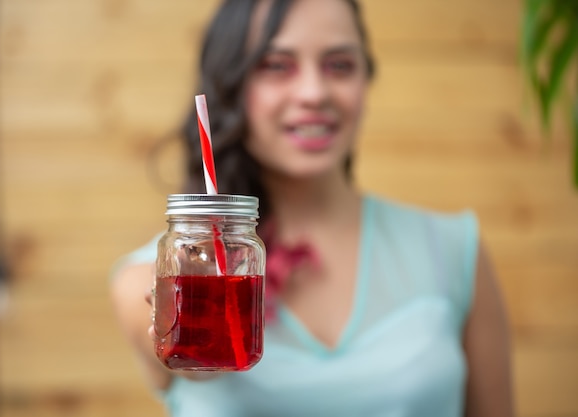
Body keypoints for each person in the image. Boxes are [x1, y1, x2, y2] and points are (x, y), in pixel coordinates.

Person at [110, 0, 514, 416]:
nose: (314, 93)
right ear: (230, 86)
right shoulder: (149, 279)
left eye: (339, 65)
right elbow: (199, 368)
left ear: (366, 79)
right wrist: (199, 314)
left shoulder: (453, 249)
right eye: (276, 65)